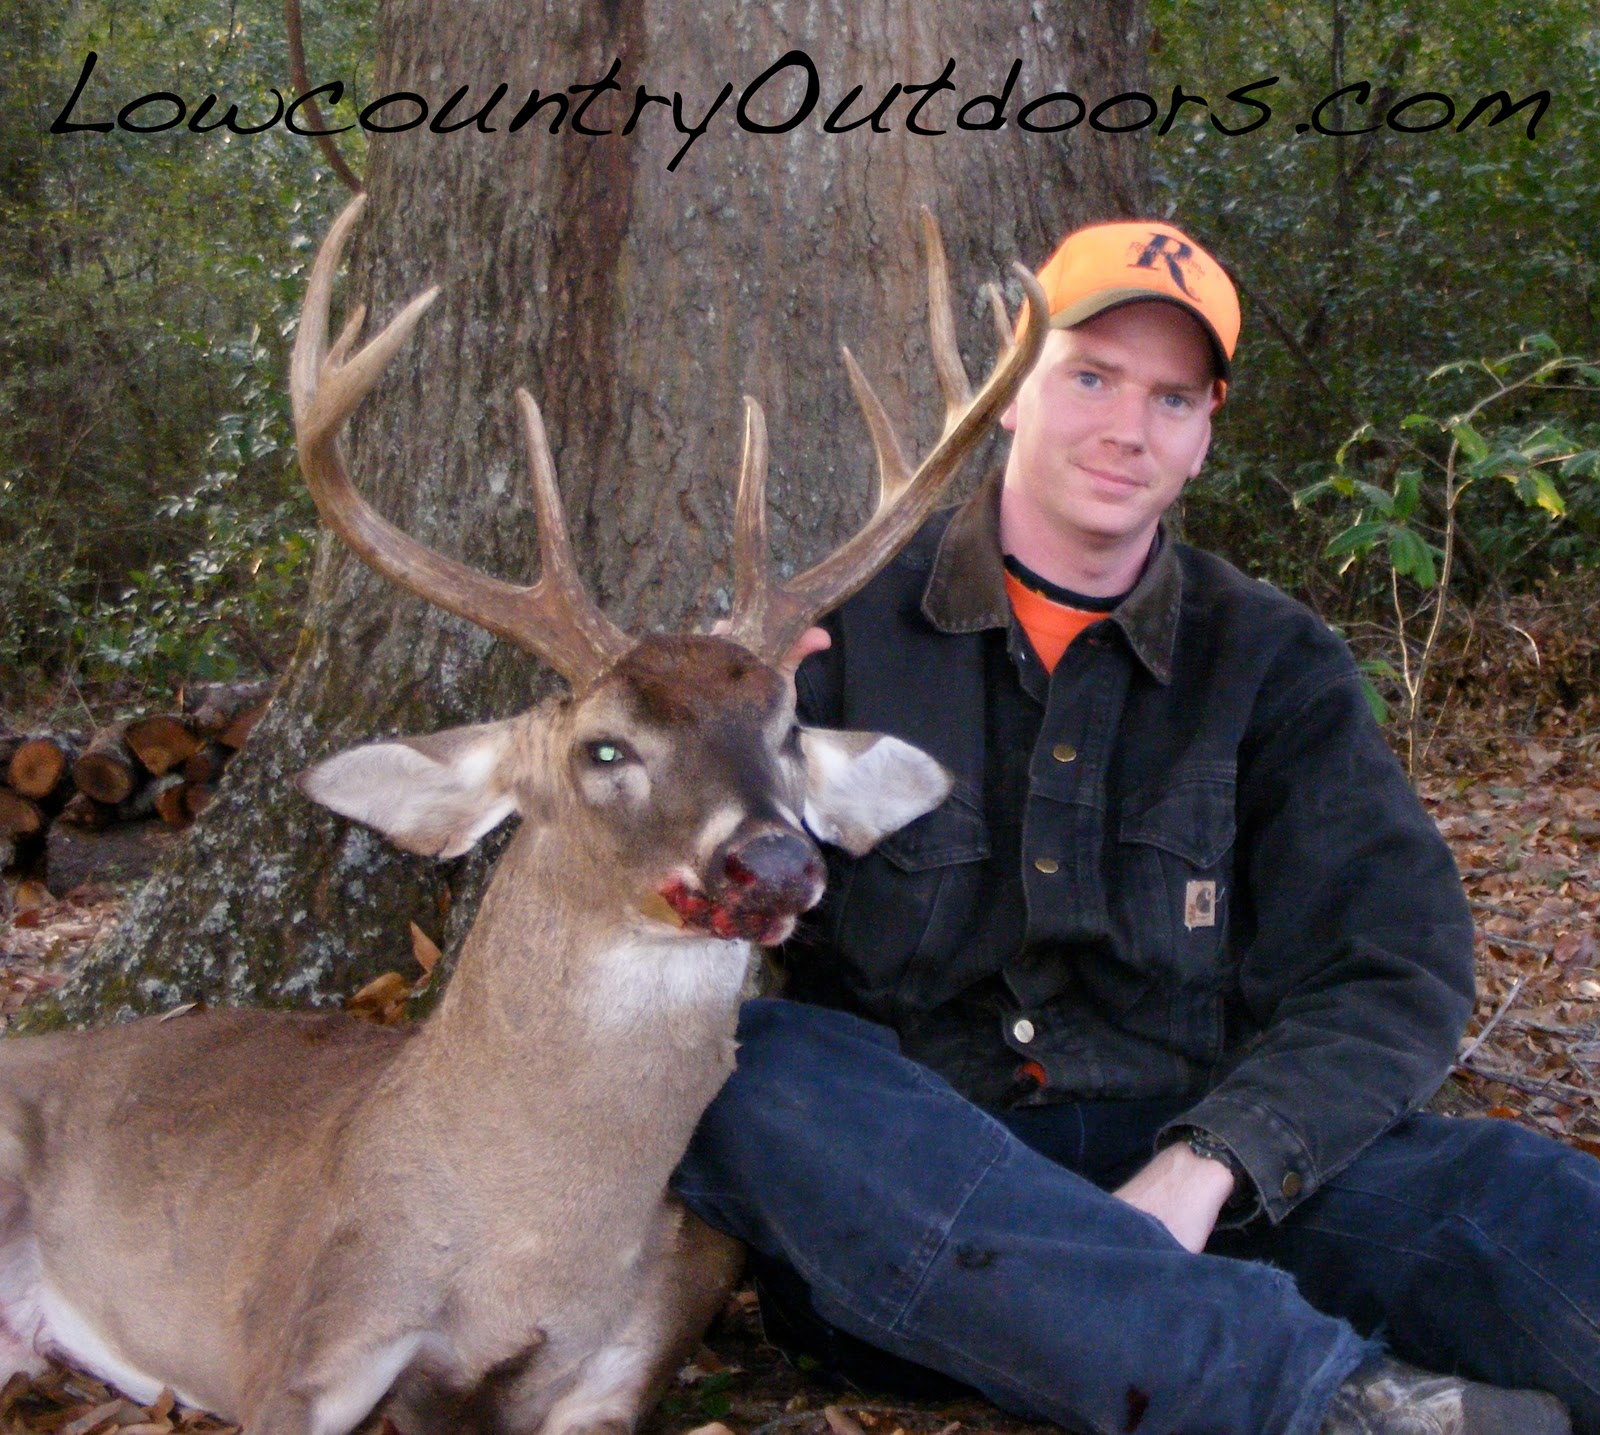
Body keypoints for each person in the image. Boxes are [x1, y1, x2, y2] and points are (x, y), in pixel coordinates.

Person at [671, 220, 1600, 1435]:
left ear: (1206, 432)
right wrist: (720, 750)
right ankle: (1337, 1407)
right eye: (1091, 377)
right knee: (755, 1070)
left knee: (1517, 1197)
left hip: (1199, 1174)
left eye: (1171, 397)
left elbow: (1393, 968)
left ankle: (1198, 1350)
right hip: (924, 1199)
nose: (1127, 428)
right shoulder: (835, 641)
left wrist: (1210, 1160)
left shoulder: (1272, 665)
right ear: (1009, 396)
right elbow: (666, 904)